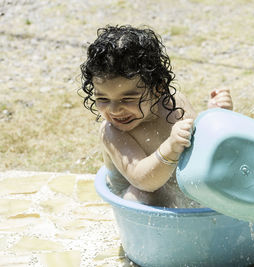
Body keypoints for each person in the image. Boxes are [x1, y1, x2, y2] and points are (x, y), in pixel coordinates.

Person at [80, 25, 233, 208]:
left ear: (158, 88)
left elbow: (203, 147)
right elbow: (143, 180)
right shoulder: (112, 132)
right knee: (142, 195)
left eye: (127, 98)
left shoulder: (174, 105)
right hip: (134, 193)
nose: (114, 110)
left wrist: (216, 116)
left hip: (177, 187)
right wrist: (170, 147)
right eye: (102, 98)